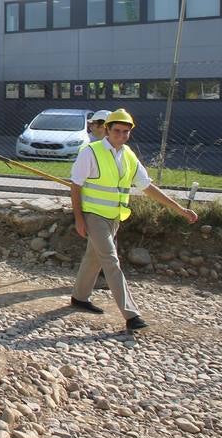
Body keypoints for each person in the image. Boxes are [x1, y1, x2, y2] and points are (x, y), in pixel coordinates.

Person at [69, 108, 199, 331]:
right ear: (107, 130)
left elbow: (146, 186)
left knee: (95, 257)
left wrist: (179, 209)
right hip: (94, 217)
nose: (121, 135)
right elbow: (75, 186)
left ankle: (79, 298)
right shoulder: (90, 152)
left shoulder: (128, 154)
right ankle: (131, 315)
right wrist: (79, 219)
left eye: (126, 132)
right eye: (117, 130)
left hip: (114, 218)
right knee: (110, 260)